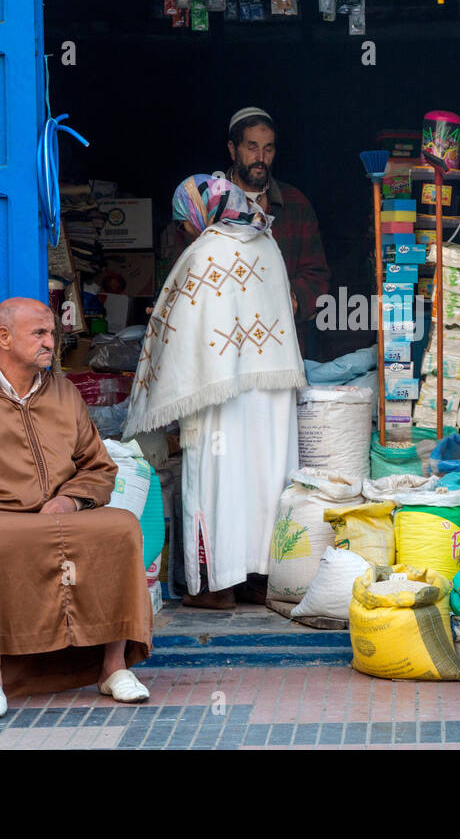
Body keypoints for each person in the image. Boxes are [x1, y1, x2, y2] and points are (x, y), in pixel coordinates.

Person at [0, 298, 154, 719]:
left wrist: (70, 499)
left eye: (52, 333)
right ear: (4, 338)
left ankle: (113, 666)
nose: (51, 343)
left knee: (121, 526)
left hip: (57, 516)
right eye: (39, 333)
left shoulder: (64, 393)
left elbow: (98, 466)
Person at [123, 176, 305, 610]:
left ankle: (215, 586)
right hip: (271, 394)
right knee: (265, 483)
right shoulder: (269, 245)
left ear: (203, 213)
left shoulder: (203, 253)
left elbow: (177, 332)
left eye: (186, 220)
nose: (185, 229)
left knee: (217, 484)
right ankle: (262, 580)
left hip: (218, 394)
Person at [164, 107, 330, 355]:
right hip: (218, 344)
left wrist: (291, 299)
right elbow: (181, 268)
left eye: (268, 148)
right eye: (252, 147)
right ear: (233, 149)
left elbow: (316, 273)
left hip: (281, 344)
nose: (261, 157)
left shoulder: (296, 203)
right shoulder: (203, 202)